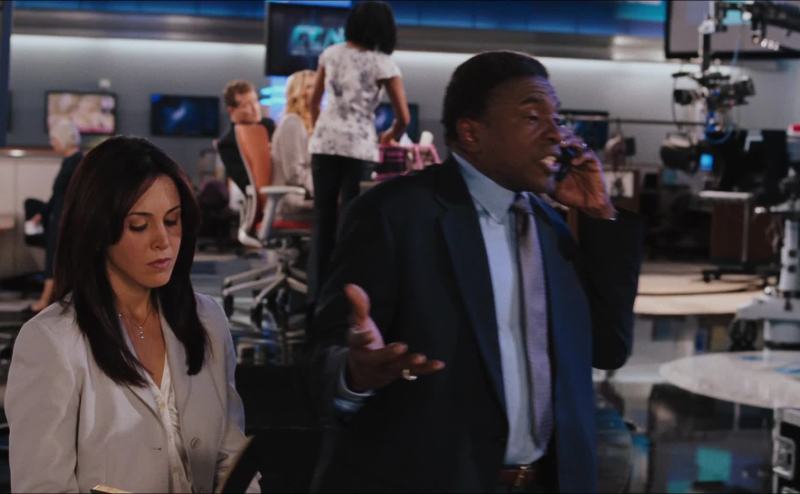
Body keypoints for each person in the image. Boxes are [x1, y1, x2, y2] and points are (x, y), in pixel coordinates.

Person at [309, 51, 642, 492]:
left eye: (557, 118)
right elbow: (323, 357)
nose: (556, 135)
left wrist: (601, 216)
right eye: (533, 117)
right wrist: (355, 372)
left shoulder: (551, 227)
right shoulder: (394, 215)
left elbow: (608, 349)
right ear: (472, 133)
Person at [6, 136, 259, 493]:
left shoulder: (207, 319)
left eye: (172, 221)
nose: (163, 240)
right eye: (140, 225)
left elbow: (231, 458)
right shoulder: (51, 342)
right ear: (98, 232)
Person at [307, 0, 411, 297]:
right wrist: (389, 136)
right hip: (359, 147)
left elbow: (313, 102)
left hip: (324, 143)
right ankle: (342, 295)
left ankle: (315, 296)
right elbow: (404, 117)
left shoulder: (330, 53)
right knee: (351, 222)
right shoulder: (383, 63)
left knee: (322, 220)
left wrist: (319, 129)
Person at [24, 119, 83, 313]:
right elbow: (57, 195)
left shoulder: (77, 162)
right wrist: (42, 214)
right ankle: (48, 299)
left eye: (54, 139)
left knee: (54, 259)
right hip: (57, 218)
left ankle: (45, 300)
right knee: (53, 259)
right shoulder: (69, 161)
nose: (52, 143)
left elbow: (72, 197)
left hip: (64, 221)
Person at [217, 80, 275, 230]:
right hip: (262, 200)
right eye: (246, 105)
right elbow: (247, 183)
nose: (255, 108)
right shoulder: (228, 143)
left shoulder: (268, 126)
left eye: (255, 101)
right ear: (231, 110)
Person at [271, 69, 315, 222]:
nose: (318, 91)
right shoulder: (292, 123)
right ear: (299, 93)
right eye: (309, 86)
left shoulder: (306, 125)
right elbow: (294, 174)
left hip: (304, 195)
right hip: (292, 201)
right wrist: (325, 188)